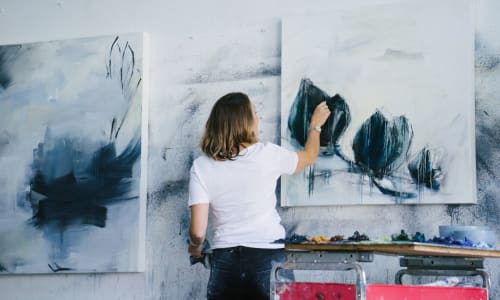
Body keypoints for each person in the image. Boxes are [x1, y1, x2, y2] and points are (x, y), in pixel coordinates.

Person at [188, 92, 330, 300]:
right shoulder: (268, 154)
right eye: (254, 112)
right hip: (267, 255)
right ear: (246, 121)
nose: (258, 117)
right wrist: (315, 127)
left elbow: (198, 232)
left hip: (226, 260)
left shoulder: (201, 166)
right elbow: (308, 157)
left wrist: (195, 248)